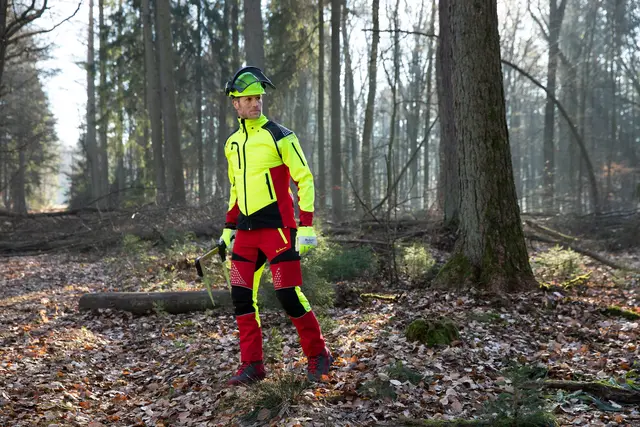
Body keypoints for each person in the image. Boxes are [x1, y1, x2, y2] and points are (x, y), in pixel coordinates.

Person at [219, 66, 332, 386]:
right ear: (235, 104)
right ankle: (252, 364)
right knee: (241, 297)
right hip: (245, 234)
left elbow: (305, 178)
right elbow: (235, 189)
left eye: (259, 98)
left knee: (288, 294)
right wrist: (229, 228)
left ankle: (318, 354)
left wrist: (306, 224)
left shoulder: (281, 135)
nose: (256, 103)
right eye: (249, 99)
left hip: (281, 231)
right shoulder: (232, 144)